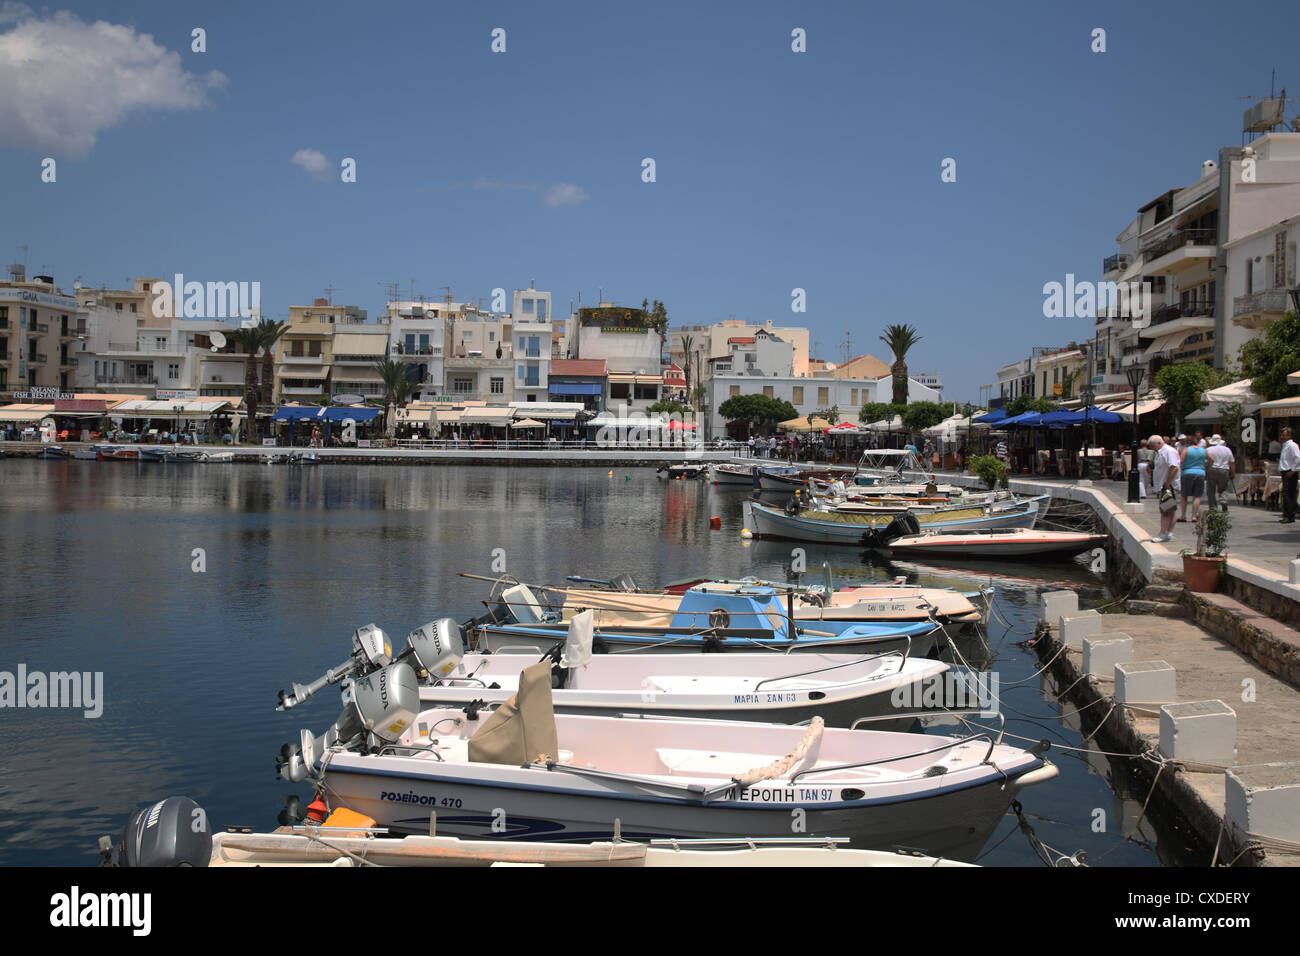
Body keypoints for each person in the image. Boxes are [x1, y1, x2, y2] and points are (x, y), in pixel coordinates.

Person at [1150, 434, 1180, 543]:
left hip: (1167, 485)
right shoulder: (1160, 452)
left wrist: (1167, 483)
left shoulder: (1168, 451)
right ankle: (1168, 532)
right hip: (1164, 484)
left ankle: (1162, 533)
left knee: (1165, 510)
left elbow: (1174, 467)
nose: (1152, 449)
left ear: (1159, 443)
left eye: (1153, 446)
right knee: (1170, 509)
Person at [1178, 434, 1207, 524]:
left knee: (1184, 495)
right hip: (1200, 473)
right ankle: (1194, 516)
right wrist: (1206, 468)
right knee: (1197, 496)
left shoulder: (1186, 450)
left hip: (1187, 473)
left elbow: (1181, 461)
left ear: (1187, 443)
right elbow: (1212, 459)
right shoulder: (1203, 450)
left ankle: (1183, 516)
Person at [1205, 435, 1235, 512]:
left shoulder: (1208, 449)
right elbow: (1232, 462)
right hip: (1224, 470)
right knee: (1223, 487)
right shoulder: (1227, 449)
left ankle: (1213, 507)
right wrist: (1233, 473)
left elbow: (1205, 462)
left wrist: (1206, 470)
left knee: (1211, 489)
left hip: (1212, 469)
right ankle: (1223, 500)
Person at [1280, 427, 1300, 524]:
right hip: (1286, 472)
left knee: (1288, 494)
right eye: (1282, 435)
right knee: (1287, 493)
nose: (1282, 437)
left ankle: (1289, 515)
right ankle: (1288, 514)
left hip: (1290, 472)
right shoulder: (1285, 446)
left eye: (1284, 435)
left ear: (1289, 435)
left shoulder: (1292, 445)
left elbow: (1298, 458)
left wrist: (1293, 470)